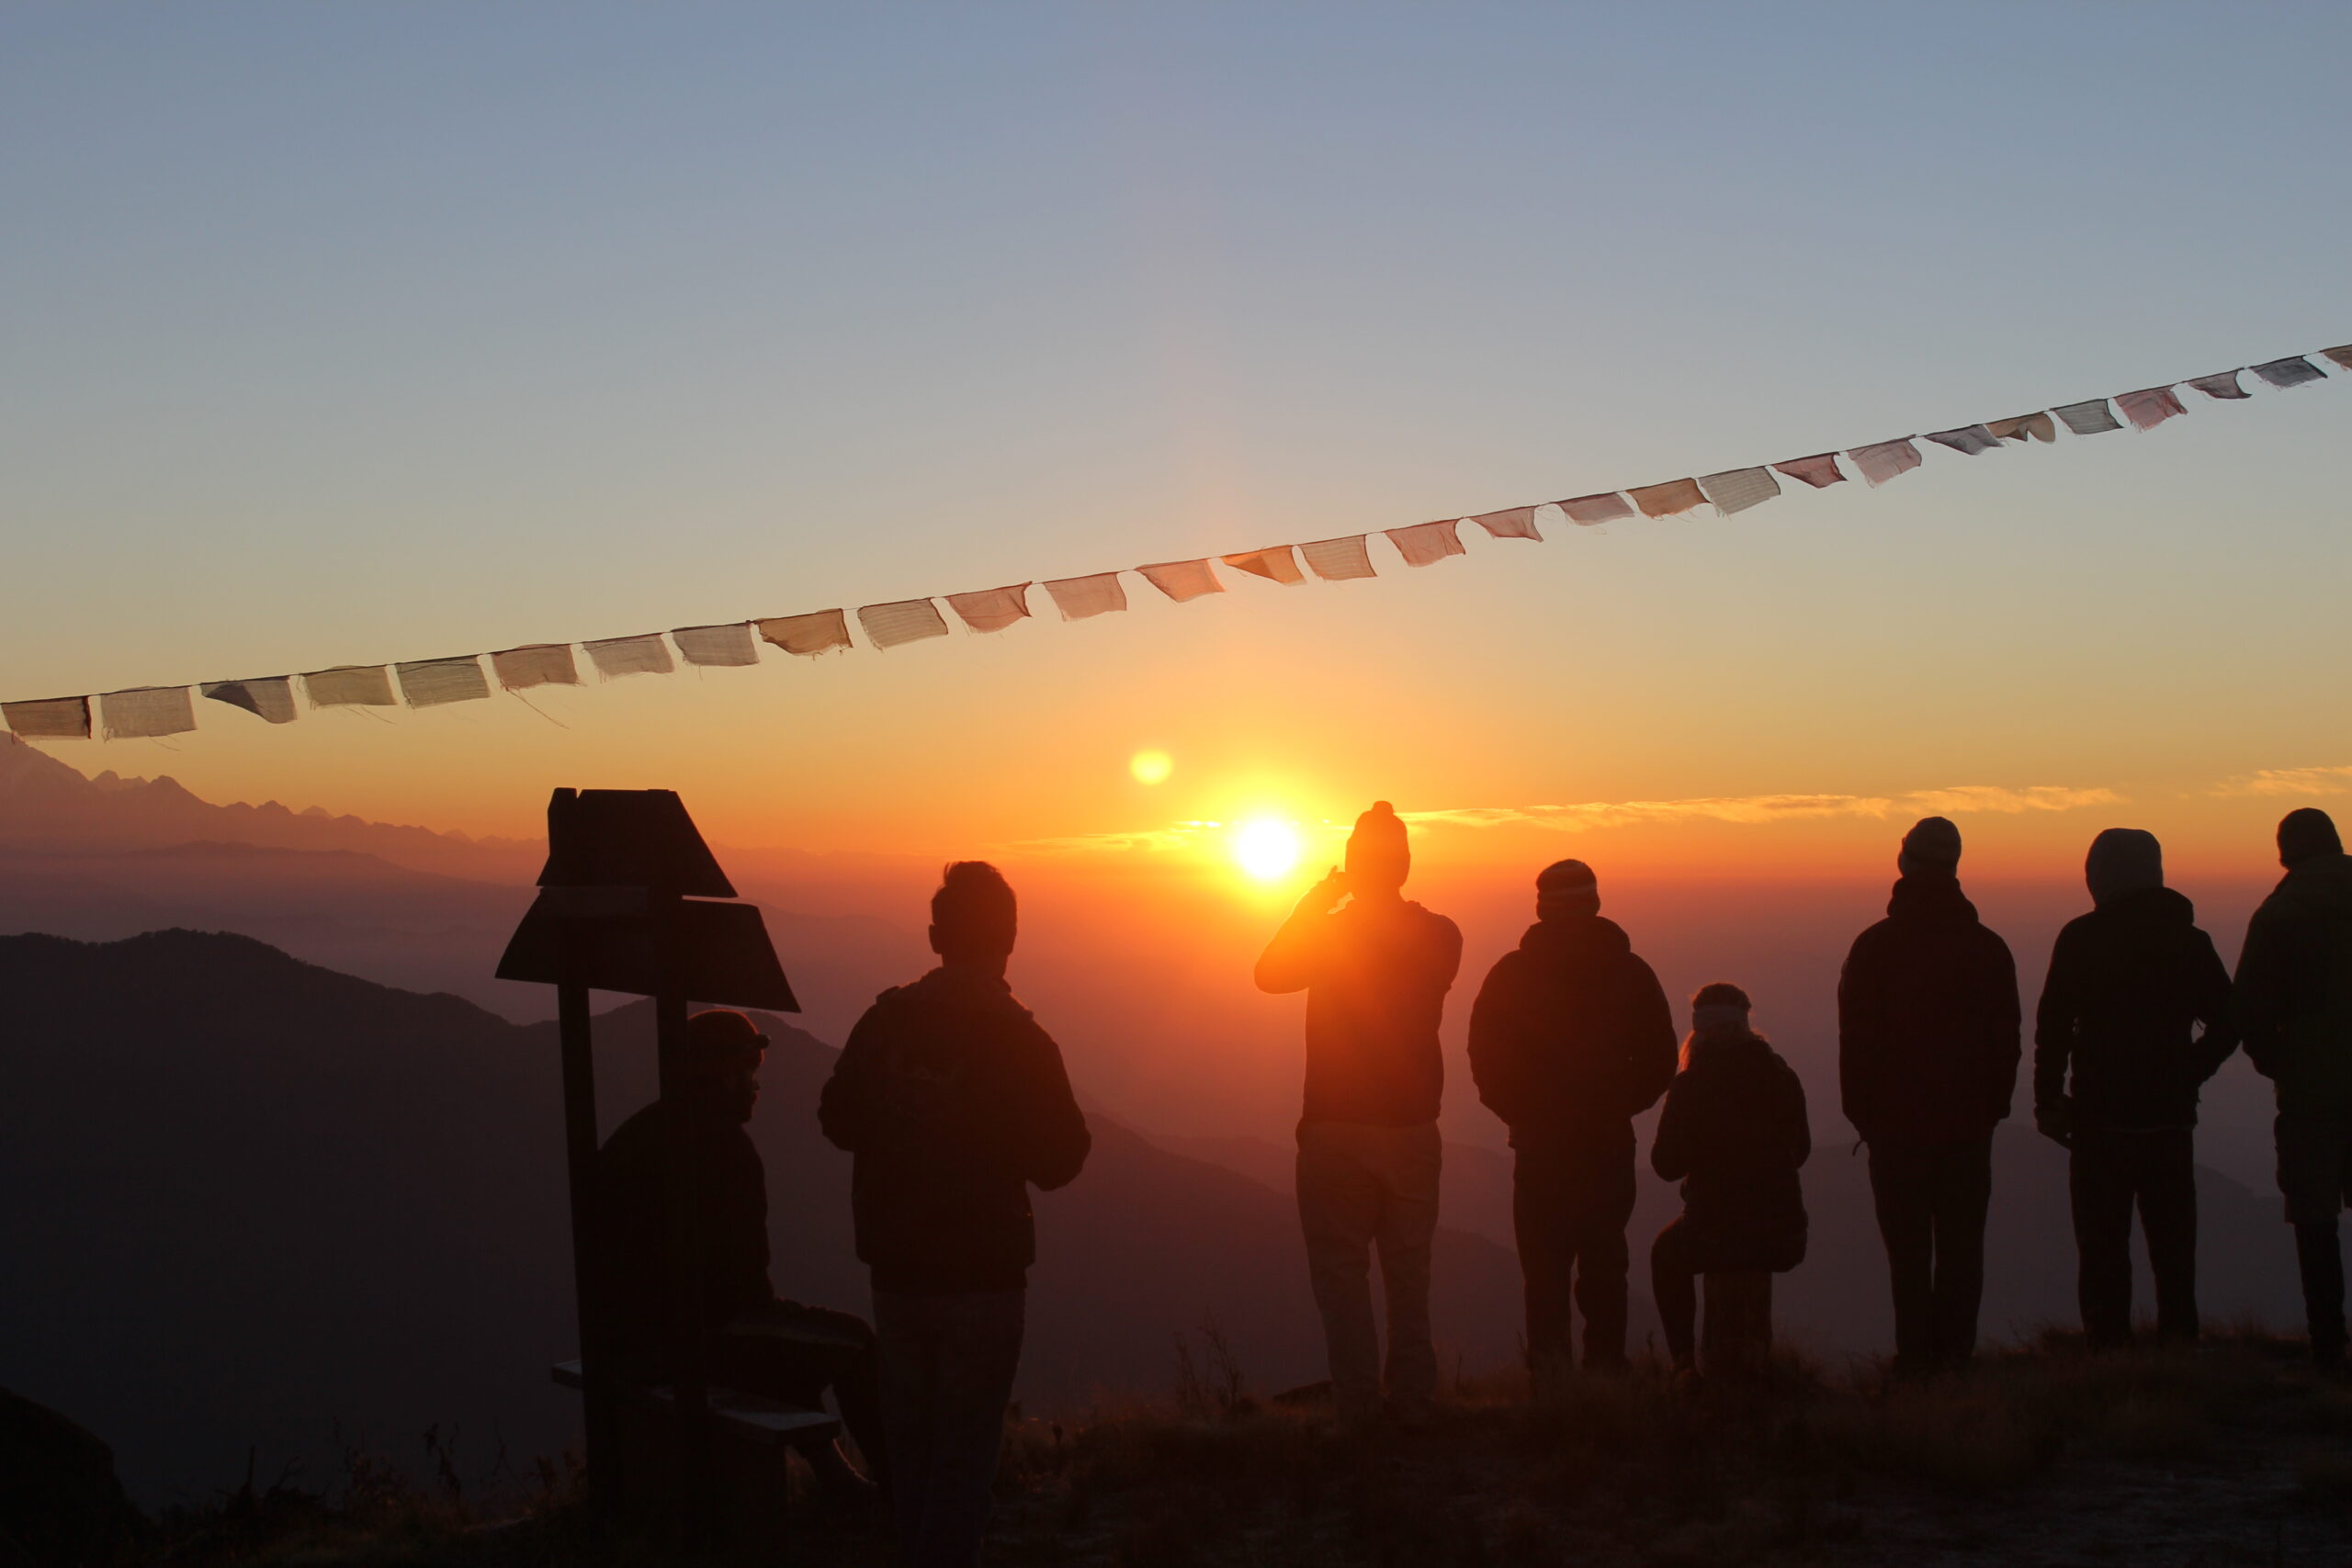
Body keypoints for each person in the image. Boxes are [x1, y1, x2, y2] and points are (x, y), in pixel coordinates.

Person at [819, 862, 1090, 1568]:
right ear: (1011, 938)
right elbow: (1063, 1159)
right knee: (966, 1458)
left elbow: (836, 1118)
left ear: (936, 935)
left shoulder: (885, 1022)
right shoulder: (1023, 1040)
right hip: (986, 1278)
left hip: (899, 1275)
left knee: (910, 1454)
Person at [596, 1008, 887, 1503]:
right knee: (851, 1342)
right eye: (749, 1074)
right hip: (692, 1340)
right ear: (724, 1074)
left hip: (630, 1336)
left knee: (792, 1337)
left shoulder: (637, 1134)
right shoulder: (724, 1147)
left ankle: (840, 1483)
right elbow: (744, 1283)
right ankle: (903, 1491)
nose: (755, 1087)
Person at [1255, 801, 1464, 1423]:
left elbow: (1268, 972)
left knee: (1342, 1276)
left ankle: (1359, 1408)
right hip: (1410, 1129)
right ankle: (1415, 1400)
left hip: (1334, 1130)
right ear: (1404, 865)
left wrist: (1320, 897)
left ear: (1352, 865)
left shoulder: (1331, 933)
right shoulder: (1441, 934)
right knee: (1409, 1273)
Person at [1467, 859, 1676, 1378]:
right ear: (1596, 903)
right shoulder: (1631, 972)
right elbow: (1660, 1060)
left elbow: (1484, 1059)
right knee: (1606, 1264)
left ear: (1540, 908)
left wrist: (1522, 1112)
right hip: (1608, 1144)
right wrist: (1617, 1106)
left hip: (1539, 1148)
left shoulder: (1511, 974)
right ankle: (1606, 1374)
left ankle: (1551, 1382)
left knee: (1544, 1271)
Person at [2034, 829, 2235, 1349]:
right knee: (2173, 1250)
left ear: (2098, 877)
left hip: (2098, 1121)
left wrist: (2048, 1101)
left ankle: (2108, 1357)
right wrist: (2189, 1071)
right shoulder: (2189, 942)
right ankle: (2179, 1352)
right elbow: (2229, 1022)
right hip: (2169, 1121)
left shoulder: (2081, 938)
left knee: (2102, 1250)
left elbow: (2053, 1026)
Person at [1838, 816, 2020, 1373]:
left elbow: (1857, 1045)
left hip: (1895, 1131)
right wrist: (1990, 1111)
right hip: (1967, 1128)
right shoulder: (1988, 949)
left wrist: (1864, 1117)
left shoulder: (1874, 947)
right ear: (1954, 866)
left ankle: (1916, 1361)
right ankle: (1956, 1359)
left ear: (1906, 863)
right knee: (1963, 1250)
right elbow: (2006, 1043)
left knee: (1908, 1254)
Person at [2234, 807, 2352, 1368]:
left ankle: (2328, 1345)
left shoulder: (2278, 914)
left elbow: (2250, 1009)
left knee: (2314, 1216)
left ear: (2286, 852)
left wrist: (2280, 1063)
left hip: (2311, 1091)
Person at [1648, 984, 1811, 1374]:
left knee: (1665, 1254)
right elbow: (1800, 1151)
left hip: (1712, 1234)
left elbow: (1665, 1165)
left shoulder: (1691, 1085)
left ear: (1698, 1030)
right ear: (1745, 1024)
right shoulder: (1781, 1075)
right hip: (1782, 1235)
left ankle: (1684, 1365)